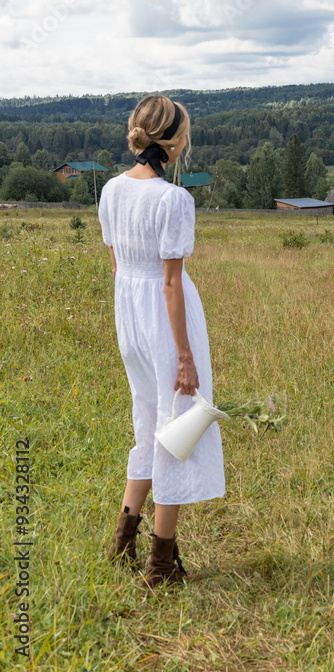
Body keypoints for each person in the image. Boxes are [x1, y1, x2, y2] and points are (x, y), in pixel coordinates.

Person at [99, 94, 225, 586]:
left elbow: (117, 267)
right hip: (166, 323)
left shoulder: (111, 190)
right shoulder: (173, 200)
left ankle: (122, 542)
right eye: (185, 135)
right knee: (178, 434)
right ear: (174, 143)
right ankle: (160, 564)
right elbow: (170, 284)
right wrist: (185, 356)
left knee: (149, 423)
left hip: (131, 321)